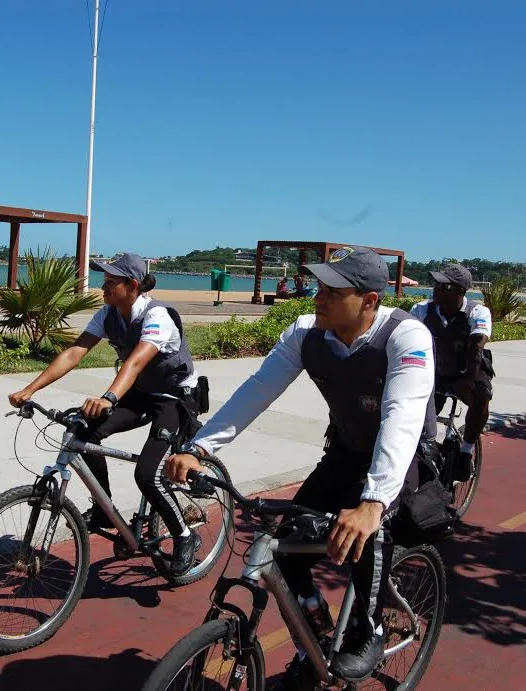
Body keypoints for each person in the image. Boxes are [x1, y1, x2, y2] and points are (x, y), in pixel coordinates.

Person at [166, 246, 436, 685]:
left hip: (401, 458)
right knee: (285, 542)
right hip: (347, 450)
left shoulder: (406, 337)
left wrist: (372, 502)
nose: (318, 297)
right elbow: (258, 390)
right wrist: (200, 448)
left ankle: (368, 631)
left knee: (370, 532)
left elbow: (401, 417)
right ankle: (316, 628)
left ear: (369, 301)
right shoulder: (307, 334)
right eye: (318, 287)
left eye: (333, 291)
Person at [8, 252, 203, 576]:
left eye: (111, 282)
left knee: (148, 474)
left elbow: (137, 361)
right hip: (139, 393)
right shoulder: (109, 314)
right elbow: (74, 352)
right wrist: (31, 389)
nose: (103, 287)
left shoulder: (158, 317)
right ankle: (103, 510)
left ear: (132, 285)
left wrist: (109, 397)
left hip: (174, 398)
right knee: (84, 432)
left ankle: (185, 536)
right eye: (104, 281)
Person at [410, 263, 493, 479]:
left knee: (481, 395)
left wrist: (468, 380)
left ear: (460, 292)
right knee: (416, 417)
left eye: (444, 286)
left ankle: (466, 451)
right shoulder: (421, 310)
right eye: (436, 284)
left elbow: (477, 345)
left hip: (466, 370)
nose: (436, 289)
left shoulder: (477, 312)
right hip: (435, 372)